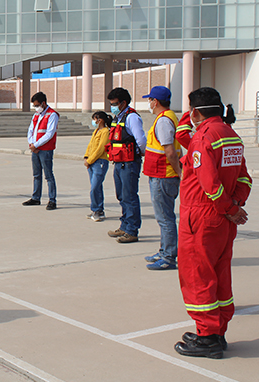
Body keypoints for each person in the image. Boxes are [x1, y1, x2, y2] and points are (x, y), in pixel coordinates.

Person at [174, 87, 252, 359]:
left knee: (197, 275)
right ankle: (217, 331)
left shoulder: (203, 137)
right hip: (222, 220)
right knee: (219, 275)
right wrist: (235, 207)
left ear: (194, 112)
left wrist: (230, 208)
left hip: (202, 217)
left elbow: (209, 184)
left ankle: (207, 338)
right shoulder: (231, 135)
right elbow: (244, 177)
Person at [141, 86, 182, 270]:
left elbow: (170, 152)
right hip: (162, 174)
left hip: (163, 175)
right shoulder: (168, 117)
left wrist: (179, 173)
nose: (149, 103)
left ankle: (168, 257)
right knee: (164, 217)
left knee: (165, 218)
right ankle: (164, 250)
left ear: (155, 101)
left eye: (150, 100)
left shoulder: (164, 121)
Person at [106, 87, 146, 243]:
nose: (112, 107)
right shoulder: (117, 117)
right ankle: (124, 225)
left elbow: (141, 140)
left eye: (115, 104)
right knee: (121, 196)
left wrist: (139, 153)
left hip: (129, 163)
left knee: (129, 196)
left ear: (123, 103)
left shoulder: (132, 117)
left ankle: (132, 230)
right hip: (118, 162)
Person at [23, 92, 59, 210]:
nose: (36, 108)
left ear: (43, 103)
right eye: (34, 106)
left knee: (48, 175)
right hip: (35, 149)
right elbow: (31, 130)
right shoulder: (36, 115)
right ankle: (36, 197)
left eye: (37, 105)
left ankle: (52, 200)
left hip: (45, 149)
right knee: (36, 175)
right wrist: (31, 143)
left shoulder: (52, 115)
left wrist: (36, 145)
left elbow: (49, 133)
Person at [83, 111, 111, 221]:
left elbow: (101, 149)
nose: (94, 122)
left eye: (95, 119)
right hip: (91, 162)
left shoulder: (105, 132)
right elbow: (90, 145)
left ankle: (97, 210)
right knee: (96, 187)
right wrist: (86, 156)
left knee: (95, 187)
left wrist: (90, 160)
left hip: (100, 162)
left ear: (100, 120)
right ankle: (97, 209)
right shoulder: (96, 131)